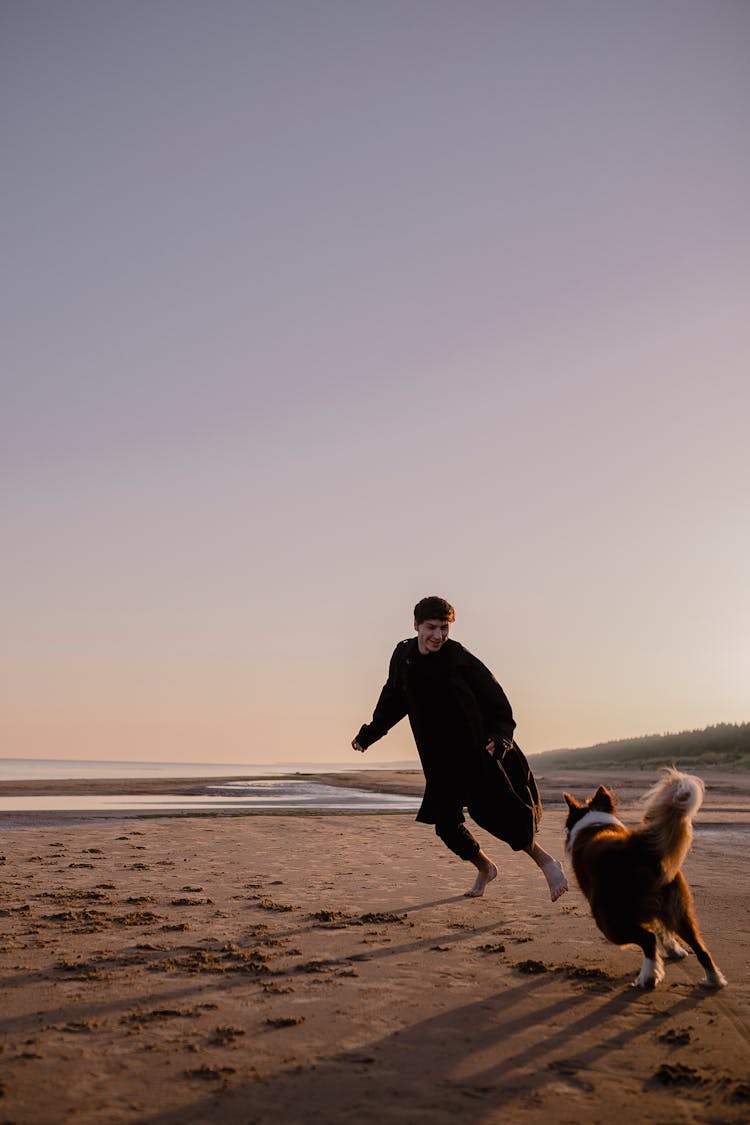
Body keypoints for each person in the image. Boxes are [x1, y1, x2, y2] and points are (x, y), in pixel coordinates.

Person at [352, 596, 568, 902]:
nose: (438, 636)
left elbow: (498, 702)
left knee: (498, 815)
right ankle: (485, 867)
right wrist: (368, 735)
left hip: (475, 751)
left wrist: (500, 737)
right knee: (446, 826)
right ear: (416, 626)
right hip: (438, 759)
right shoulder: (404, 657)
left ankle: (547, 862)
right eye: (431, 627)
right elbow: (393, 699)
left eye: (444, 628)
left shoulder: (459, 658)